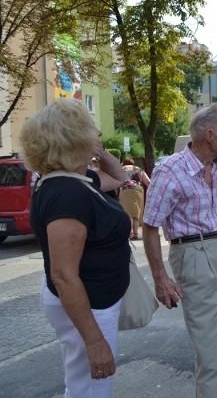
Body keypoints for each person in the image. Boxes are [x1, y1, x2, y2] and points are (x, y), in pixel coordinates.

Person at [20, 98, 128, 397]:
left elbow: (120, 177)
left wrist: (99, 152)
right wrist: (95, 342)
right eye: (91, 131)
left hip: (93, 302)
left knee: (83, 383)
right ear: (74, 138)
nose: (97, 135)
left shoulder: (76, 181)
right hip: (88, 306)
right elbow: (64, 275)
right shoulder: (67, 193)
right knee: (91, 388)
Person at [142, 103, 217, 398]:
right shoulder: (170, 170)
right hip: (194, 254)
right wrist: (161, 277)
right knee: (212, 351)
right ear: (210, 134)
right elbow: (149, 226)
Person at [119, 157, 150, 239]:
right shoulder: (139, 169)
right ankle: (135, 233)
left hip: (125, 190)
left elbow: (116, 181)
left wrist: (116, 191)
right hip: (138, 191)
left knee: (127, 212)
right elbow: (148, 182)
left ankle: (129, 233)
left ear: (124, 163)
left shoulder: (121, 169)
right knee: (136, 212)